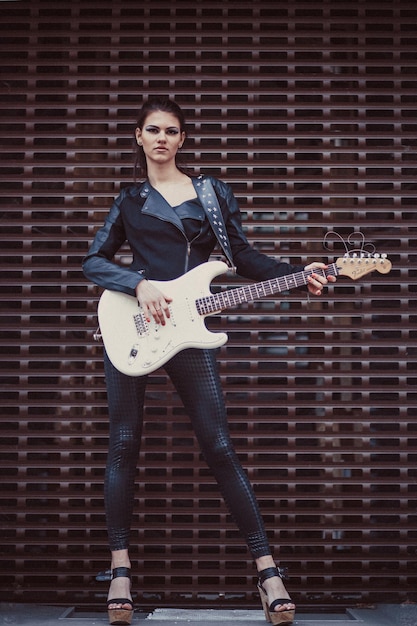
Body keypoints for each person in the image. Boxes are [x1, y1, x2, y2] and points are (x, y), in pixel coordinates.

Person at [82, 97, 336, 626]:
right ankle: (120, 569)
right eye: (152, 129)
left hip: (192, 332)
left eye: (171, 131)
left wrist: (299, 269)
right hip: (133, 327)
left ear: (181, 139)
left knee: (219, 445)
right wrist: (139, 282)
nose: (161, 139)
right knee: (124, 443)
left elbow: (242, 256)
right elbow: (94, 261)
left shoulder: (211, 192)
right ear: (138, 136)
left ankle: (269, 574)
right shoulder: (129, 200)